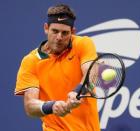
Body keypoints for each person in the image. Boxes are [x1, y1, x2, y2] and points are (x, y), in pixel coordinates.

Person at [14, 3, 100, 131]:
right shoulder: (30, 61)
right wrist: (51, 106)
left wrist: (77, 92)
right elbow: (30, 106)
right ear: (46, 28)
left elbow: (91, 73)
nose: (59, 37)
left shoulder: (83, 44)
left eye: (65, 33)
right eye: (55, 31)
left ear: (73, 32)